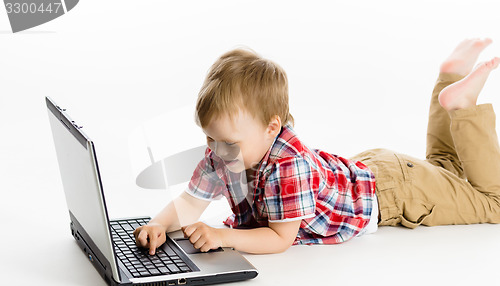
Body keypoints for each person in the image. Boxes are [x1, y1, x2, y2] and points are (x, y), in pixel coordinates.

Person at [134, 38, 500, 255]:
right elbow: (190, 202)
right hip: (376, 171)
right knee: (445, 168)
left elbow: (280, 238)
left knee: (493, 202)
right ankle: (451, 78)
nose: (216, 150)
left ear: (270, 127)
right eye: (209, 139)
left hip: (397, 194)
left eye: (226, 142)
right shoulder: (225, 151)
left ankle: (464, 105)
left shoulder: (285, 166)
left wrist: (221, 236)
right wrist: (158, 224)